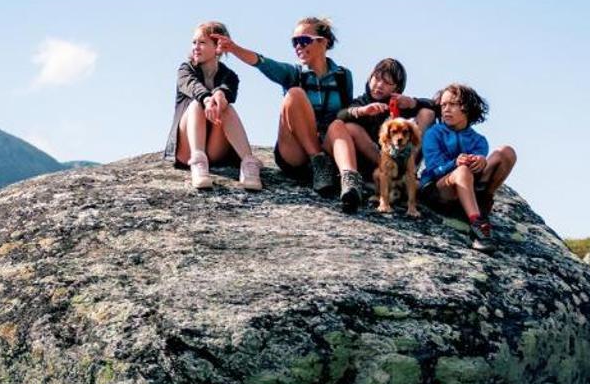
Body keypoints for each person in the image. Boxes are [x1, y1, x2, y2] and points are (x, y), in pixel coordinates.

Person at [213, 16, 352, 197]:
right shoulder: (293, 73)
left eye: (303, 40)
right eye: (294, 42)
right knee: (294, 94)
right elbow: (262, 62)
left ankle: (348, 178)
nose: (298, 47)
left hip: (328, 145)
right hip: (295, 153)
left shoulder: (343, 76)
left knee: (341, 124)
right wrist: (234, 48)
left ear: (323, 42)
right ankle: (318, 161)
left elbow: (347, 113)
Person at [326, 58, 437, 212]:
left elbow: (436, 107)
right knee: (350, 127)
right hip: (374, 161)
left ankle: (406, 171)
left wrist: (413, 103)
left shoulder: (400, 104)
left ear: (397, 88)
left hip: (402, 156)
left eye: (387, 83)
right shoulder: (362, 101)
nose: (379, 85)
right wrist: (362, 111)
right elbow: (341, 115)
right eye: (376, 79)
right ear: (369, 78)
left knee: (427, 113)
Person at [418, 83, 519, 252]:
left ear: (467, 108)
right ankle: (478, 226)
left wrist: (481, 162)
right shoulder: (434, 134)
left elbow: (479, 167)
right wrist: (455, 164)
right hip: (439, 192)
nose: (446, 109)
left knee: (506, 152)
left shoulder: (479, 140)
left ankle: (483, 202)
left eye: (452, 104)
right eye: (443, 105)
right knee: (463, 170)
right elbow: (434, 169)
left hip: (468, 187)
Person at [162, 21, 262, 190]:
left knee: (226, 107)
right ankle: (198, 163)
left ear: (218, 48)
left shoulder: (230, 76)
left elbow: (227, 90)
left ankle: (249, 165)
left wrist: (220, 94)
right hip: (187, 149)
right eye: (194, 42)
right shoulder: (185, 70)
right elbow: (193, 86)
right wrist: (207, 99)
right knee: (196, 105)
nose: (196, 47)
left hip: (215, 149)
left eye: (202, 42)